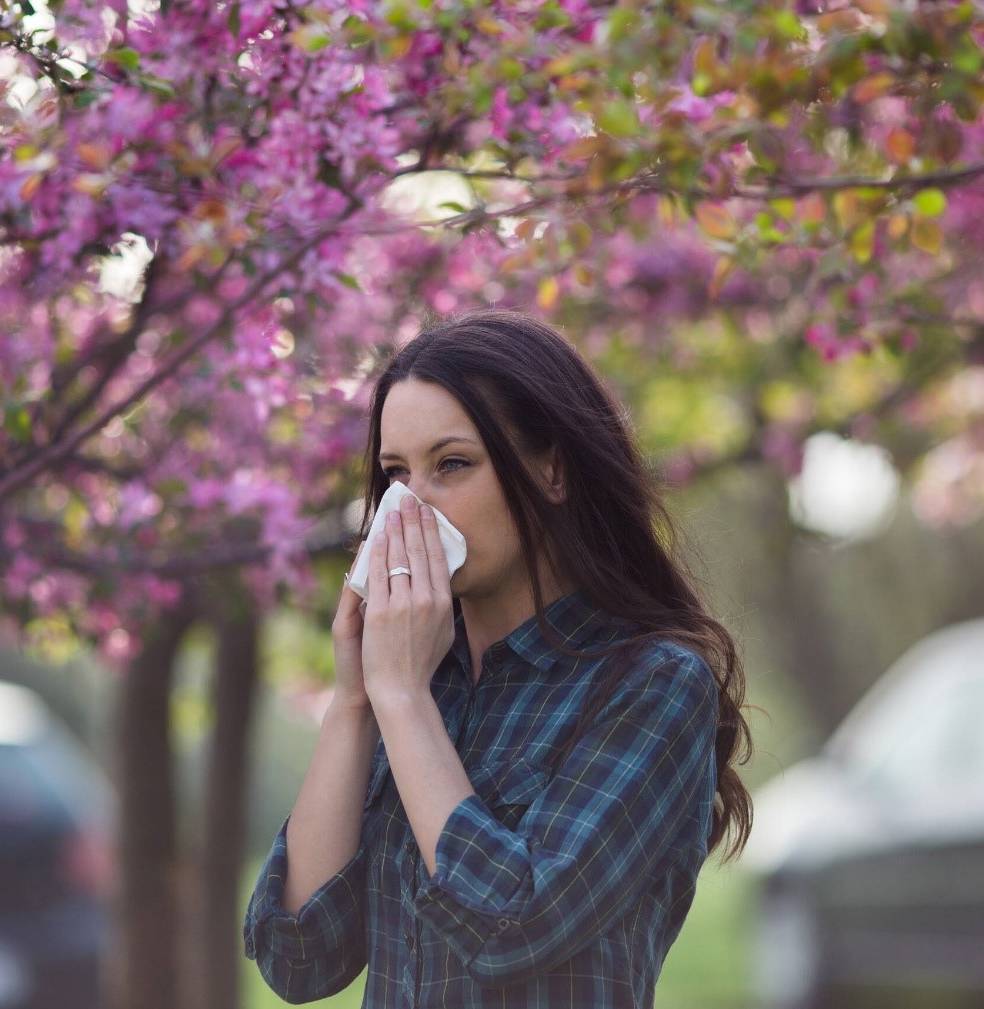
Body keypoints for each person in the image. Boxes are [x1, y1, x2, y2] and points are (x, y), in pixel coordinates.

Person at [243, 308, 752, 1007]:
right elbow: (296, 957)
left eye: (451, 465)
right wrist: (357, 700)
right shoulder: (418, 683)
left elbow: (514, 926)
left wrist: (402, 702)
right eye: (396, 474)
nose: (410, 510)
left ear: (552, 469)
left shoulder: (649, 683)